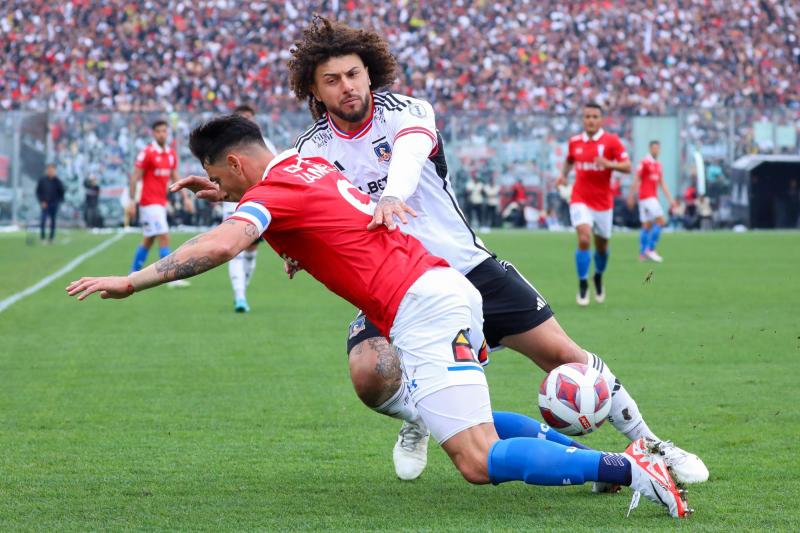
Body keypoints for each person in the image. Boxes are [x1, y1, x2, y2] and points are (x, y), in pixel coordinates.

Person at [66, 115, 693, 518]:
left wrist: (134, 279)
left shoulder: (271, 189)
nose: (219, 187)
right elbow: (302, 214)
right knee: (443, 414)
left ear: (234, 164)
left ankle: (629, 466)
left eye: (216, 175)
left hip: (420, 304)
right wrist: (230, 194)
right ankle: (599, 467)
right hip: (438, 290)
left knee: (476, 461)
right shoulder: (303, 164)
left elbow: (223, 245)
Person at [288, 17, 706, 488]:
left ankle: (652, 445)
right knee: (369, 374)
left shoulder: (407, 111)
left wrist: (391, 196)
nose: (347, 86)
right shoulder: (312, 151)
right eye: (332, 80)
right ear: (315, 91)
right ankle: (420, 415)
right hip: (397, 284)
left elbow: (406, 158)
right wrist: (299, 246)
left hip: (468, 268)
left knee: (567, 358)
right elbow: (308, 210)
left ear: (370, 73)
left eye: (353, 74)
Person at [556, 103, 631, 306]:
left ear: (601, 120)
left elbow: (627, 166)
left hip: (603, 203)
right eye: (587, 116)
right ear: (583, 119)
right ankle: (582, 283)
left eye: (595, 116)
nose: (590, 120)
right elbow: (569, 160)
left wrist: (609, 164)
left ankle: (598, 276)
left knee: (602, 246)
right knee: (583, 238)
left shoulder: (611, 141)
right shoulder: (575, 142)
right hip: (580, 198)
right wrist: (563, 176)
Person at [220, 104, 280, 313]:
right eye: (242, 117)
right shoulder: (225, 147)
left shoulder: (266, 145)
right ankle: (239, 296)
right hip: (234, 204)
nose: (247, 120)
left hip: (259, 205)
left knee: (251, 250)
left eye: (249, 117)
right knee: (235, 249)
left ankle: (242, 290)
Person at [127, 119, 193, 286]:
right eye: (159, 131)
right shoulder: (147, 153)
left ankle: (132, 274)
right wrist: (131, 201)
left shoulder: (170, 154)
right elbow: (135, 177)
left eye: (164, 131)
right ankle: (170, 277)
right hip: (149, 203)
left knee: (149, 239)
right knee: (164, 236)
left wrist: (186, 198)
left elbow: (176, 178)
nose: (162, 134)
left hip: (160, 203)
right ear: (153, 133)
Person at [628, 141, 677, 263]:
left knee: (647, 225)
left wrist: (671, 200)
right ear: (650, 149)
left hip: (650, 198)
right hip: (647, 197)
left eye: (658, 148)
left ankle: (642, 254)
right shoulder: (645, 162)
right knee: (661, 221)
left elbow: (662, 184)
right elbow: (637, 178)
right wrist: (631, 195)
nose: (656, 150)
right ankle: (650, 249)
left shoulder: (658, 165)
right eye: (654, 148)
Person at [36, 164, 64, 243]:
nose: (51, 171)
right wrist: (41, 201)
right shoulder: (42, 180)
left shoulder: (58, 181)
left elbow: (61, 193)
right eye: (49, 170)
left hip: (54, 204)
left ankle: (51, 237)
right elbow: (38, 192)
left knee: (53, 221)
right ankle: (42, 237)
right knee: (43, 220)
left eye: (52, 170)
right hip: (44, 204)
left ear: (55, 171)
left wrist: (58, 202)